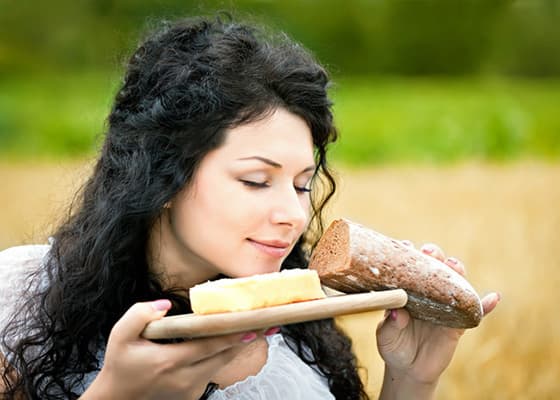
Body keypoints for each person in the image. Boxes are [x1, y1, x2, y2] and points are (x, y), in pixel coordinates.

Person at [0, 15, 500, 400]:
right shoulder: (17, 299)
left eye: (303, 186)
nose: (295, 215)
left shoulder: (298, 351)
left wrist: (411, 380)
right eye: (256, 180)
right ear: (161, 174)